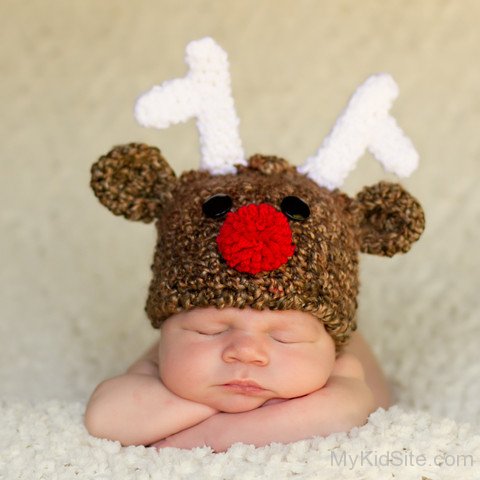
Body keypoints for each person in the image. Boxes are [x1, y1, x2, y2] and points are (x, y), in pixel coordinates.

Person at [84, 306, 391, 452]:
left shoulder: (339, 363)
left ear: (331, 348)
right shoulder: (165, 360)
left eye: (284, 338)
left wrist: (213, 433)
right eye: (210, 331)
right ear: (164, 336)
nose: (245, 352)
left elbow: (341, 414)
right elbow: (104, 417)